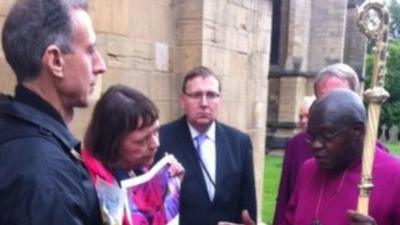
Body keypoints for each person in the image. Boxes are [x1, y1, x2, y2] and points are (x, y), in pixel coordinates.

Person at [0, 0, 106, 224]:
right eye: (90, 51)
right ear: (56, 61)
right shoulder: (48, 180)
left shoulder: (13, 128)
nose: (100, 65)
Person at [155, 66, 257, 225]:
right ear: (182, 101)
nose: (204, 103)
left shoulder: (239, 143)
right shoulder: (161, 140)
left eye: (211, 95)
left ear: (219, 100)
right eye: (196, 95)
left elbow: (248, 207)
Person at [282, 89, 400, 225]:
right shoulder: (308, 170)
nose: (315, 145)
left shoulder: (395, 176)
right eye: (311, 136)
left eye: (326, 135)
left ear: (357, 130)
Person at [272, 63, 363, 225]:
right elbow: (285, 206)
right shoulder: (300, 150)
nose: (316, 145)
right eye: (321, 99)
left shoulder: (391, 173)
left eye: (338, 96)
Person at [82, 85, 184, 225]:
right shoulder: (87, 186)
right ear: (112, 142)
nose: (156, 143)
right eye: (142, 140)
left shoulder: (137, 169)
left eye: (156, 132)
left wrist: (170, 190)